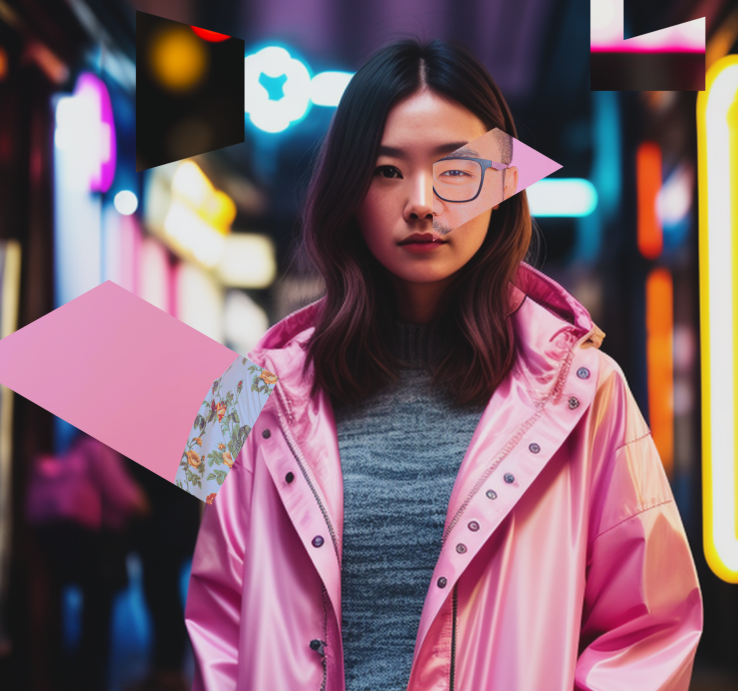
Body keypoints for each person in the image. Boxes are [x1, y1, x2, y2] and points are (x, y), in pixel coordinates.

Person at [184, 38, 703, 691]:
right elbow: (219, 621)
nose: (422, 202)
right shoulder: (257, 395)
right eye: (386, 170)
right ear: (347, 190)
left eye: (456, 170)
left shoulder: (585, 390)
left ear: (501, 185)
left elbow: (649, 627)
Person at [27, 429, 150, 691]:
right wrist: (145, 504)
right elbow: (125, 496)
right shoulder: (99, 448)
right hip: (98, 550)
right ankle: (90, 682)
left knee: (90, 620)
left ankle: (80, 677)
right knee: (96, 623)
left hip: (80, 549)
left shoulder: (77, 446)